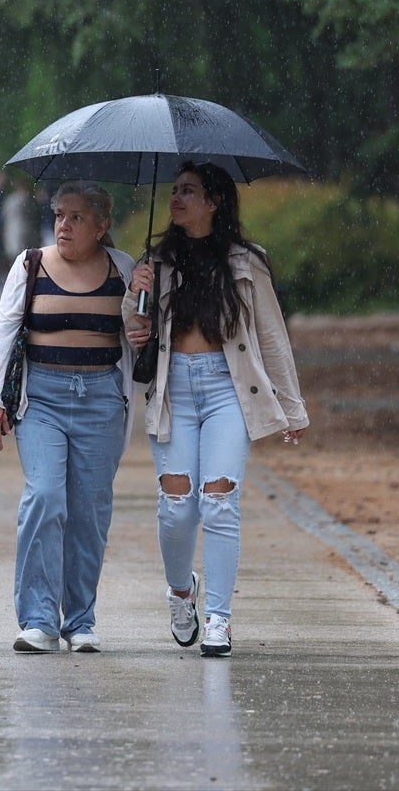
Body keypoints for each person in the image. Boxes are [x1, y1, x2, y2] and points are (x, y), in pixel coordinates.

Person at [125, 162, 308, 659]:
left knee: (219, 504)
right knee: (176, 511)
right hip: (173, 392)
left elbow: (271, 336)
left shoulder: (247, 262)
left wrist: (292, 408)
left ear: (214, 202)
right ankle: (182, 593)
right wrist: (136, 291)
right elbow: (136, 333)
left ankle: (221, 620)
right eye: (175, 190)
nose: (176, 199)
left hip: (229, 391)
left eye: (188, 191)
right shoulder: (157, 261)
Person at [0, 181, 135, 653]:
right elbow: (4, 330)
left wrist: (146, 300)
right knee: (45, 496)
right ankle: (40, 620)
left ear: (101, 226)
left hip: (102, 399)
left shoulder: (124, 269)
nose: (63, 225)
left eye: (76, 217)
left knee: (89, 511)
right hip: (41, 400)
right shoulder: (31, 264)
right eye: (59, 214)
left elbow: (144, 342)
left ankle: (81, 621)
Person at [1, 178, 34, 269]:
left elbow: (4, 215)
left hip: (11, 229)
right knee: (21, 256)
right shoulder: (25, 199)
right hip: (21, 230)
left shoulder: (10, 199)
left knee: (14, 255)